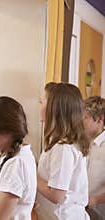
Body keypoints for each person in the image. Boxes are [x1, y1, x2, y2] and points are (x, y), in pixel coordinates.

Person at [36, 83, 90, 220]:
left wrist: (31, 173)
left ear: (54, 109)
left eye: (42, 101)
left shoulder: (63, 148)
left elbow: (56, 195)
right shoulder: (58, 143)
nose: (38, 104)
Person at [83, 96, 105, 220]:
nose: (81, 121)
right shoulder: (83, 143)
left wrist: (95, 199)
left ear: (100, 119)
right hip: (83, 212)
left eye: (86, 117)